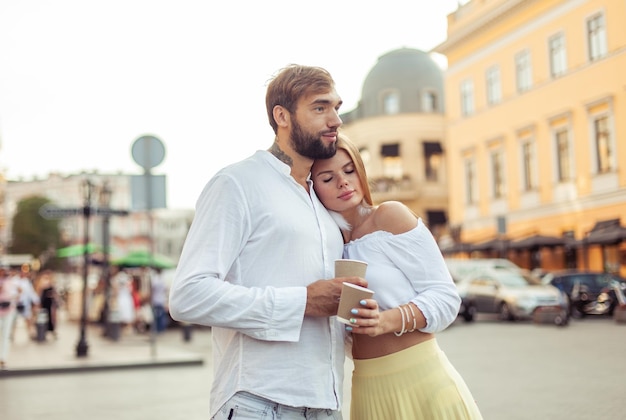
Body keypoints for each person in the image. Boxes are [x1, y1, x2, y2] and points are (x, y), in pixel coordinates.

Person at [169, 64, 367, 420]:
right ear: (282, 116)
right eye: (320, 108)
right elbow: (188, 295)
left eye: (336, 107)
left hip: (327, 405)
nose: (336, 119)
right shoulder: (236, 183)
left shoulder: (322, 204)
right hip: (259, 403)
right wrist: (303, 301)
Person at [311, 134, 484, 419]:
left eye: (349, 170)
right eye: (328, 179)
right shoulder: (325, 245)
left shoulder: (389, 216)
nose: (343, 182)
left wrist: (385, 321)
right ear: (313, 188)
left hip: (424, 380)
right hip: (367, 387)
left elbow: (445, 296)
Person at [0, 268, 22, 369]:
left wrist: (13, 298)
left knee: (5, 335)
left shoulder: (11, 282)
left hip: (8, 310)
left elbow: (19, 292)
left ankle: (3, 358)